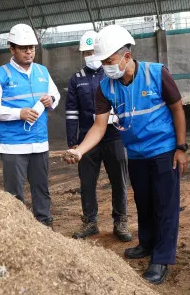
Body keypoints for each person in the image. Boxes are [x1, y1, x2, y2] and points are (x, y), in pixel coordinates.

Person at [64, 24, 188, 285]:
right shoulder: (106, 87)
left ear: (126, 57)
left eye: (109, 61)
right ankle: (147, 243)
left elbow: (177, 109)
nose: (105, 67)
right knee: (144, 201)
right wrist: (80, 150)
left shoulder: (156, 73)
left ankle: (162, 258)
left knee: (165, 205)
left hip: (164, 151)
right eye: (103, 62)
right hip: (137, 154)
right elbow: (99, 125)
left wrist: (181, 147)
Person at [0, 23, 60, 227]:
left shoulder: (42, 71)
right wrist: (19, 113)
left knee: (41, 188)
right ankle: (18, 228)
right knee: (14, 192)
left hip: (39, 142)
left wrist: (51, 99)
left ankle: (44, 224)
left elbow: (56, 95)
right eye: (23, 48)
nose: (29, 52)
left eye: (32, 47)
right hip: (14, 145)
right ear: (12, 49)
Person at [65, 30, 132, 242]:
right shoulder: (76, 80)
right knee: (87, 182)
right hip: (88, 138)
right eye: (86, 52)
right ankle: (90, 222)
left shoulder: (113, 74)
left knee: (119, 181)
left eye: (94, 51)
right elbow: (71, 113)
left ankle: (120, 221)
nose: (91, 55)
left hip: (114, 137)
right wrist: (73, 143)